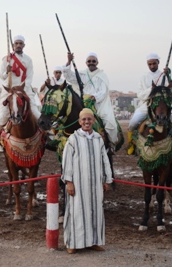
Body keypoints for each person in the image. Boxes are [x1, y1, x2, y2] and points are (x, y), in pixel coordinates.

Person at [61, 108, 112, 254]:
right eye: (84, 119)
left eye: (89, 119)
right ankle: (73, 243)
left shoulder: (98, 139)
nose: (87, 122)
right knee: (77, 211)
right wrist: (69, 181)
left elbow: (104, 160)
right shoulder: (73, 139)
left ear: (94, 121)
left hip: (96, 184)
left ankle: (93, 242)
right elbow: (67, 162)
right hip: (78, 184)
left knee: (95, 212)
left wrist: (106, 179)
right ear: (79, 121)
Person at [127, 53, 172, 156]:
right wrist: (151, 90)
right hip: (147, 104)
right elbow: (140, 94)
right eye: (150, 64)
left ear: (158, 63)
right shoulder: (143, 77)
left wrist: (169, 77)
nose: (152, 66)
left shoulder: (164, 75)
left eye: (154, 63)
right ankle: (132, 144)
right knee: (134, 121)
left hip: (164, 104)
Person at [0, 35, 41, 152]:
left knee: (35, 112)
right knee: (3, 115)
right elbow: (1, 75)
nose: (18, 45)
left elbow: (29, 76)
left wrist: (22, 88)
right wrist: (6, 72)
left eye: (20, 43)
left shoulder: (28, 60)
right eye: (16, 43)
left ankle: (46, 134)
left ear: (23, 45)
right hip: (9, 89)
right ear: (13, 45)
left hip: (24, 89)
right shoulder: (6, 59)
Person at [63, 52, 118, 150]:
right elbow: (69, 77)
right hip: (83, 103)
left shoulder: (102, 76)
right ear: (86, 63)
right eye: (89, 61)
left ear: (97, 62)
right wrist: (69, 61)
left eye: (93, 61)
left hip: (98, 104)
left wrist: (94, 97)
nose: (91, 63)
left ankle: (110, 145)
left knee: (110, 124)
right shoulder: (83, 74)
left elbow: (103, 91)